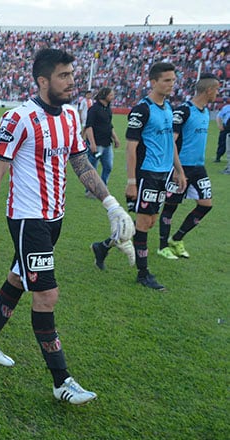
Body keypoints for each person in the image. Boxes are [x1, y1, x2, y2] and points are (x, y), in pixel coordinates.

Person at [0, 49, 134, 405]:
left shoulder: (73, 116)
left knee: (18, 278)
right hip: (28, 219)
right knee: (46, 294)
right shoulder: (20, 118)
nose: (71, 80)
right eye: (63, 75)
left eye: (72, 74)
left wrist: (111, 205)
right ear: (43, 81)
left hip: (55, 217)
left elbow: (80, 162)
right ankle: (61, 381)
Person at [93, 62, 186, 290]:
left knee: (150, 221)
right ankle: (143, 274)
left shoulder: (168, 108)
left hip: (163, 174)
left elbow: (170, 143)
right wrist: (132, 182)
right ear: (153, 82)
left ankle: (104, 246)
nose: (171, 84)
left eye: (173, 80)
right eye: (166, 80)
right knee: (144, 223)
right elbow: (131, 148)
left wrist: (179, 170)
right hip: (146, 174)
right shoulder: (141, 109)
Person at [156, 75, 220, 259]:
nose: (217, 93)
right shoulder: (184, 111)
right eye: (216, 90)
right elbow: (171, 142)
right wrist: (177, 169)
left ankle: (177, 239)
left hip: (198, 168)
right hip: (180, 166)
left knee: (206, 204)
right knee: (171, 207)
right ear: (209, 90)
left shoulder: (205, 112)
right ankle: (162, 246)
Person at [84, 87, 120, 186]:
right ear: (104, 95)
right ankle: (91, 189)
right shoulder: (94, 109)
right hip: (97, 143)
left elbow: (109, 125)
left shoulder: (108, 108)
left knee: (108, 166)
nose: (113, 97)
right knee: (93, 167)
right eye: (111, 95)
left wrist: (115, 138)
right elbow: (89, 127)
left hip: (107, 143)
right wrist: (92, 144)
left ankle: (103, 186)